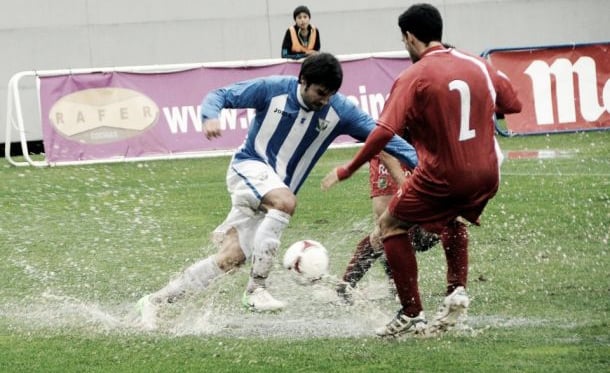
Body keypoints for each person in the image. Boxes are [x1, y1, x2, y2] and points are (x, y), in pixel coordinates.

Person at [136, 52, 418, 330]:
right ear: (303, 81)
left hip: (267, 195)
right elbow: (220, 94)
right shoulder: (272, 90)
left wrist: (420, 164)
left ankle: (155, 301)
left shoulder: (339, 110)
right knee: (285, 202)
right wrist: (210, 115)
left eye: (331, 95)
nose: (325, 100)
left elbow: (382, 136)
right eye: (320, 92)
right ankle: (256, 288)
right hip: (248, 168)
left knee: (230, 258)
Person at [322, 3, 522, 338]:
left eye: (404, 41)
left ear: (410, 37)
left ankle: (411, 312)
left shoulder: (413, 76)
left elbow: (384, 132)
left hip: (444, 173)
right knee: (452, 219)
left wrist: (347, 168)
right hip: (488, 173)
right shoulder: (477, 63)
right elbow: (512, 104)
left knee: (389, 224)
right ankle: (456, 291)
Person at [336, 152, 439, 305]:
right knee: (387, 228)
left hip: (423, 149)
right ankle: (347, 285)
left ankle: (398, 282)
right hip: (391, 151)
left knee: (432, 231)